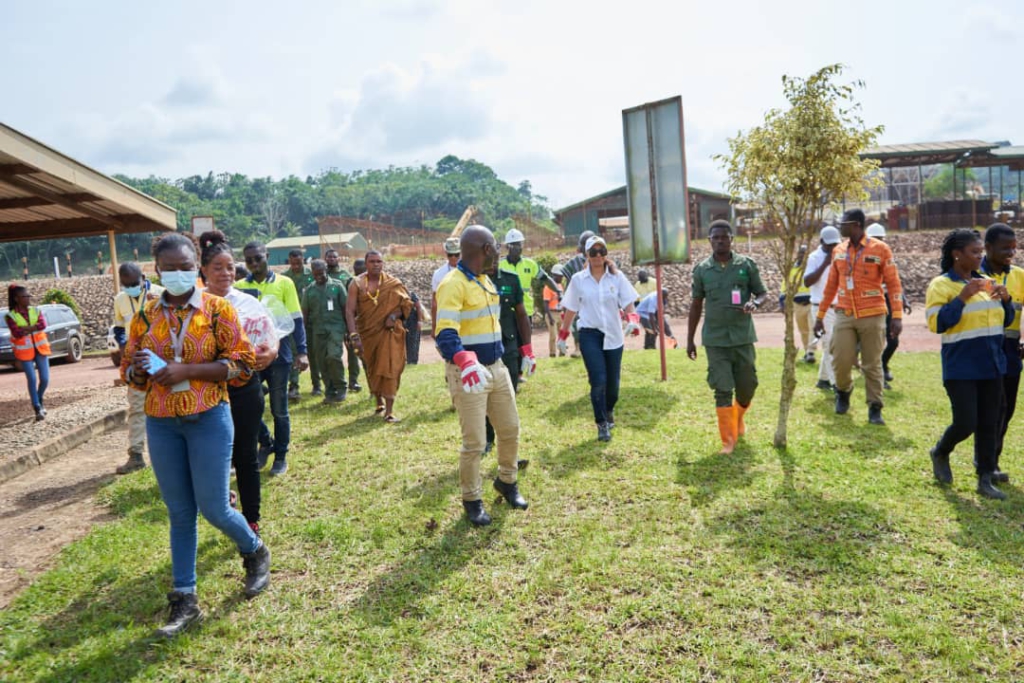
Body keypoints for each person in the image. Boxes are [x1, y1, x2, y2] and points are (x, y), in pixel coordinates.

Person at [121, 233, 269, 638]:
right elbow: (130, 375)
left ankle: (254, 550)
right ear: (157, 272)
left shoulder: (218, 310)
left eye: (185, 267)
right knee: (180, 513)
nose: (178, 274)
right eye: (169, 268)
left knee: (215, 507)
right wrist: (136, 369)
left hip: (208, 416)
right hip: (162, 421)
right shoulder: (145, 316)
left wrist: (187, 371)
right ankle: (184, 599)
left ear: (196, 267)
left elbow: (241, 363)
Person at [435, 225, 528, 526]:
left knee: (510, 429)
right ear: (486, 249)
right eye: (496, 246)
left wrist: (525, 351)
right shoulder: (453, 283)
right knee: (475, 441)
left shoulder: (486, 281)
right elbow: (445, 333)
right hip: (469, 373)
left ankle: (507, 481)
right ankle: (472, 499)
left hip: (497, 367)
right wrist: (463, 360)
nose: (500, 251)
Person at [199, 230, 279, 534]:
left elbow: (272, 339)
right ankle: (225, 500)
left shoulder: (248, 303)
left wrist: (270, 352)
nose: (225, 273)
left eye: (230, 267)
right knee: (214, 457)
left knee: (245, 456)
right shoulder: (194, 305)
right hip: (206, 392)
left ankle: (252, 519)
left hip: (245, 390)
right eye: (217, 267)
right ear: (204, 270)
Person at [925, 228, 1014, 500]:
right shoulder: (941, 285)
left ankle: (985, 479)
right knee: (966, 423)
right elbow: (937, 324)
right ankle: (941, 451)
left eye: (980, 252)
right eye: (974, 252)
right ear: (957, 254)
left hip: (992, 366)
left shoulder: (987, 281)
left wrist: (1006, 299)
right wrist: (962, 297)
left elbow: (1006, 320)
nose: (980, 257)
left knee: (990, 423)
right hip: (961, 368)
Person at [813, 208, 904, 426]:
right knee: (840, 358)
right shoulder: (838, 251)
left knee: (872, 364)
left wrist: (897, 315)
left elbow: (893, 283)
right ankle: (843, 391)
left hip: (873, 314)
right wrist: (820, 315)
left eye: (843, 223)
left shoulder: (881, 249)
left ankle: (875, 407)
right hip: (844, 313)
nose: (840, 226)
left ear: (855, 224)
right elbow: (831, 286)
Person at [687, 220, 767, 454]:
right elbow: (695, 304)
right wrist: (690, 339)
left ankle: (738, 416)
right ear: (709, 240)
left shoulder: (746, 265)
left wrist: (755, 302)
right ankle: (728, 440)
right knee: (722, 388)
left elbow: (762, 292)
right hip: (715, 340)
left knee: (747, 386)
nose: (720, 240)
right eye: (715, 237)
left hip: (742, 337)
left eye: (724, 237)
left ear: (732, 239)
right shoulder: (702, 270)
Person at [558, 235, 640, 442]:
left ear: (606, 254)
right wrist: (563, 334)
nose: (597, 256)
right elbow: (570, 309)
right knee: (598, 381)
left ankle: (609, 409)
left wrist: (632, 319)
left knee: (613, 387)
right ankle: (601, 423)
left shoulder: (617, 277)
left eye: (601, 251)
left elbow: (629, 302)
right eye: (593, 252)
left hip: (613, 335)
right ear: (586, 255)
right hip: (589, 335)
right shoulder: (578, 280)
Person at [238, 241, 309, 476]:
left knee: (280, 410)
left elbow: (296, 319)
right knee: (249, 408)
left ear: (267, 256)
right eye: (249, 260)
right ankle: (265, 442)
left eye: (258, 258)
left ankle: (280, 455)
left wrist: (302, 351)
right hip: (250, 359)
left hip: (280, 357)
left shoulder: (284, 283)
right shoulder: (239, 287)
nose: (254, 263)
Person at [345, 250, 412, 422]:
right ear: (366, 264)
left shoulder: (393, 283)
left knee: (390, 367)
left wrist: (393, 316)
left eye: (379, 261)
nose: (376, 264)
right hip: (367, 333)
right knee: (372, 367)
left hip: (390, 333)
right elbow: (350, 311)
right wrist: (354, 335)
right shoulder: (357, 284)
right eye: (373, 261)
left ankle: (389, 411)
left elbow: (406, 305)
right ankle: (378, 400)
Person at [980, 222, 1024, 482]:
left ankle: (992, 460)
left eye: (1013, 248)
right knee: (992, 408)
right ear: (987, 248)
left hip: (1009, 352)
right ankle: (986, 461)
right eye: (1004, 248)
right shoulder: (972, 273)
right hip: (982, 349)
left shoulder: (1019, 275)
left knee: (1006, 410)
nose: (1010, 253)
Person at [111, 263, 165, 474]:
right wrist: (125, 345)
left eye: (134, 283)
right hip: (136, 359)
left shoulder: (160, 293)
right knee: (136, 406)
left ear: (143, 277)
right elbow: (118, 327)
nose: (131, 287)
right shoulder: (120, 299)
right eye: (127, 284)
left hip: (161, 357)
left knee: (168, 399)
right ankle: (136, 455)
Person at [484, 263, 535, 452]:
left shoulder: (510, 279)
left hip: (509, 344)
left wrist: (527, 350)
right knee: (485, 395)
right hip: (484, 346)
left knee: (509, 395)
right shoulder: (473, 279)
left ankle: (509, 447)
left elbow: (521, 315)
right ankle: (487, 438)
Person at [865, 223, 912, 388]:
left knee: (893, 341)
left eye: (881, 239)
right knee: (874, 342)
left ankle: (883, 365)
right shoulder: (862, 258)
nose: (878, 242)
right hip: (871, 303)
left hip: (888, 301)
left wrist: (903, 299)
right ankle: (878, 378)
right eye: (875, 239)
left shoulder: (887, 255)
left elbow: (894, 282)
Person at [302, 259, 349, 403]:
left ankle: (341, 387)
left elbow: (346, 309)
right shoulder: (309, 291)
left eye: (321, 273)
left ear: (326, 270)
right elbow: (305, 313)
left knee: (333, 356)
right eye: (315, 274)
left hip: (336, 327)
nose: (319, 277)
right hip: (318, 330)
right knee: (322, 362)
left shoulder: (337, 286)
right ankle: (330, 391)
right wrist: (303, 335)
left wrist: (349, 330)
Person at [6, 285, 51, 421]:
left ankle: (39, 397)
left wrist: (26, 328)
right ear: (16, 299)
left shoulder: (36, 310)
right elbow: (16, 332)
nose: (28, 299)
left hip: (40, 349)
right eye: (24, 296)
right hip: (25, 352)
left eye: (28, 296)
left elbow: (42, 325)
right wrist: (32, 328)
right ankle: (37, 407)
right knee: (31, 378)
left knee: (45, 378)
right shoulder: (11, 316)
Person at [805, 226, 841, 390]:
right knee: (830, 345)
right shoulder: (814, 257)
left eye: (835, 244)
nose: (833, 248)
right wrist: (825, 264)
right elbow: (807, 281)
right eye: (829, 245)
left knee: (833, 344)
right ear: (821, 242)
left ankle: (823, 379)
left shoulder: (841, 255)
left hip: (838, 307)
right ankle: (837, 385)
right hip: (820, 307)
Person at [499, 228, 562, 323]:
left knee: (526, 338)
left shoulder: (530, 264)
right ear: (508, 247)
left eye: (519, 244)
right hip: (506, 312)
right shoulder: (500, 265)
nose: (517, 248)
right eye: (514, 245)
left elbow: (545, 279)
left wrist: (558, 291)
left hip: (525, 311)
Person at [325, 249, 361, 393]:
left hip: (346, 318)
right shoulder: (322, 275)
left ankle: (354, 381)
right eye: (329, 257)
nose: (332, 259)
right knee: (333, 354)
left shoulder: (346, 276)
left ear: (338, 258)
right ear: (325, 258)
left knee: (352, 351)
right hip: (330, 320)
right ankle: (335, 382)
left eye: (334, 256)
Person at [282, 249, 317, 399]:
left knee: (315, 353)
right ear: (289, 261)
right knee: (295, 353)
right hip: (294, 322)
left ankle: (317, 385)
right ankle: (294, 386)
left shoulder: (312, 274)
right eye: (293, 262)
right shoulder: (284, 278)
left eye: (298, 262)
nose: (296, 265)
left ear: (303, 259)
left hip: (312, 320)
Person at [559, 230, 595, 358]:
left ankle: (578, 348)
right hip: (594, 299)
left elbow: (566, 279)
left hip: (578, 300)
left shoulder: (574, 262)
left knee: (577, 323)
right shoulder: (601, 260)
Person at [780, 245, 815, 363]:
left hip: (812, 303)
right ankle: (807, 352)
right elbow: (785, 285)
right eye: (800, 253)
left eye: (805, 254)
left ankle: (811, 352)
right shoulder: (792, 269)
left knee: (812, 328)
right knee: (803, 330)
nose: (802, 256)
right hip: (797, 304)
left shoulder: (813, 268)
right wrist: (782, 300)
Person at [430, 237, 461, 335]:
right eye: (450, 255)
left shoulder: (471, 272)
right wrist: (434, 326)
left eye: (456, 255)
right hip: (447, 324)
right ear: (446, 253)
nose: (453, 258)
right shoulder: (439, 274)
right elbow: (435, 302)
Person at [543, 264, 565, 357]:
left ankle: (562, 352)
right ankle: (552, 353)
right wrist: (550, 317)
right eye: (560, 276)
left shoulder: (560, 286)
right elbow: (545, 303)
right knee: (553, 335)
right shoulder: (548, 287)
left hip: (560, 312)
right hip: (551, 313)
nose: (561, 278)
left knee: (562, 335)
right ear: (554, 275)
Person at [405, 291, 427, 365]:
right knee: (406, 341)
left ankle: (413, 360)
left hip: (413, 322)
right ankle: (407, 359)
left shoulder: (411, 294)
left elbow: (418, 307)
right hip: (404, 321)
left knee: (413, 341)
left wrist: (419, 321)